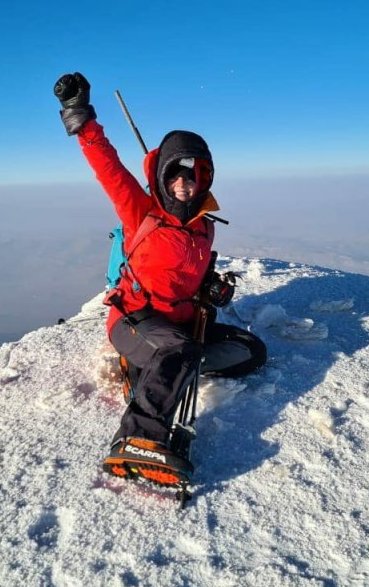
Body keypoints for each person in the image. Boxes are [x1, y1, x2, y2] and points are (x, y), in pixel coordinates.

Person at [54, 72, 267, 487]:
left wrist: (211, 288)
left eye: (194, 175)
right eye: (176, 175)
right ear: (163, 177)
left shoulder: (205, 227)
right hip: (136, 320)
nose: (185, 184)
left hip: (181, 326)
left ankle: (167, 370)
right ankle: (137, 440)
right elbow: (107, 166)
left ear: (205, 178)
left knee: (250, 353)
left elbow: (197, 272)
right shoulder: (140, 212)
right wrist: (80, 115)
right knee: (181, 349)